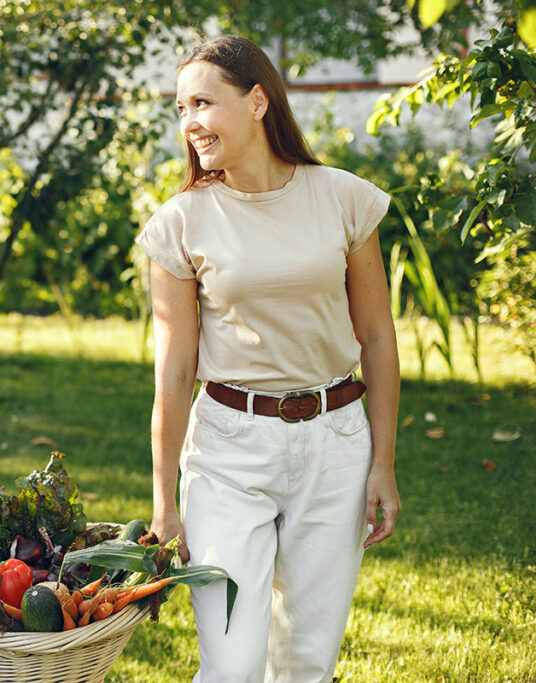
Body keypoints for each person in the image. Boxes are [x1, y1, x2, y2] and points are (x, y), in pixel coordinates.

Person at [137, 35, 402, 682]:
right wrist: (164, 499)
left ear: (257, 101)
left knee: (308, 661)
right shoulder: (179, 223)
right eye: (180, 107)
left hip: (336, 442)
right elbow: (173, 370)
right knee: (231, 663)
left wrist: (383, 463)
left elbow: (376, 334)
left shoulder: (343, 198)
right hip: (228, 448)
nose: (189, 121)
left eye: (203, 101)